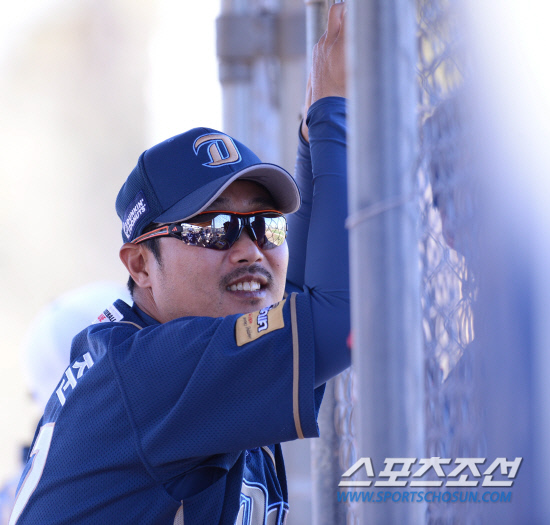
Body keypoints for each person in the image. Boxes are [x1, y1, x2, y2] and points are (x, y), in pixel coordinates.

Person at [9, 4, 349, 524]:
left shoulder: (166, 362)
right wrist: (332, 116)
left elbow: (303, 303)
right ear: (141, 266)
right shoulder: (153, 374)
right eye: (212, 228)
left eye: (266, 225)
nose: (249, 250)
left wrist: (312, 134)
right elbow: (340, 319)